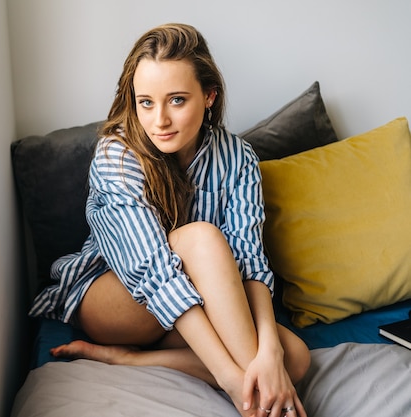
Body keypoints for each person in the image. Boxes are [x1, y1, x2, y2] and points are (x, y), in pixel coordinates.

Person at [29, 23, 311, 417]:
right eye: (146, 102)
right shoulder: (117, 156)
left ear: (209, 96)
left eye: (176, 100)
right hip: (119, 297)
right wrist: (234, 381)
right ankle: (258, 408)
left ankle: (130, 360)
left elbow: (249, 260)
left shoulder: (238, 157)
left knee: (294, 359)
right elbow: (155, 275)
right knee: (201, 239)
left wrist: (269, 348)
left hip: (191, 302)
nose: (159, 119)